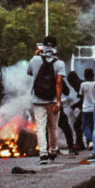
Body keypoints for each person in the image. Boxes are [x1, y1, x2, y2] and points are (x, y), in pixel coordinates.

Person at [27, 35, 67, 164]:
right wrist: (59, 101)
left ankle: (43, 154)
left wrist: (36, 55)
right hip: (53, 100)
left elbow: (30, 72)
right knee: (53, 128)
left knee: (40, 127)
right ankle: (53, 151)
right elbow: (59, 82)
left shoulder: (34, 60)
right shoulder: (60, 63)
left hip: (38, 100)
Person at [79, 68, 95, 152]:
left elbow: (81, 95)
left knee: (86, 126)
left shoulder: (83, 84)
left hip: (86, 108)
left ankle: (90, 141)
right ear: (93, 75)